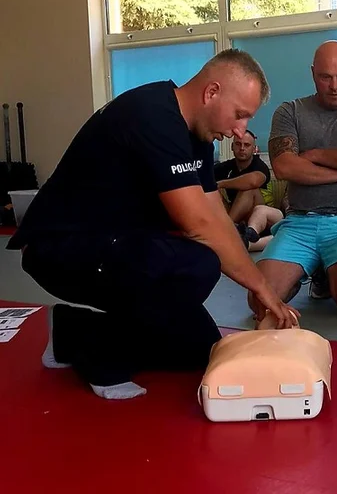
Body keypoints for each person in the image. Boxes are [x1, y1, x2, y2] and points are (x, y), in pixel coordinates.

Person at [7, 49, 299, 400]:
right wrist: (262, 288)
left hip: (117, 246)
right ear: (211, 92)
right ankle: (101, 357)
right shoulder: (152, 115)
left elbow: (216, 218)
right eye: (239, 115)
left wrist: (260, 288)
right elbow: (199, 226)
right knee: (199, 264)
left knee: (200, 348)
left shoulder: (199, 137)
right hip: (59, 247)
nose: (240, 130)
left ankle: (71, 330)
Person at [251, 40, 337, 317]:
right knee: (259, 303)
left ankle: (327, 271)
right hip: (299, 222)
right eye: (325, 77)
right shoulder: (289, 111)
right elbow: (285, 167)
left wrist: (314, 154)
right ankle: (313, 268)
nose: (334, 85)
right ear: (313, 73)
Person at [214, 131, 284, 251]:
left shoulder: (260, 165)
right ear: (232, 147)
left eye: (246, 145)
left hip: (260, 217)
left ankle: (227, 230)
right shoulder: (226, 167)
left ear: (253, 149)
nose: (242, 148)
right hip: (235, 213)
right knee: (212, 191)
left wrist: (220, 184)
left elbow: (254, 181)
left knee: (249, 190)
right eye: (238, 144)